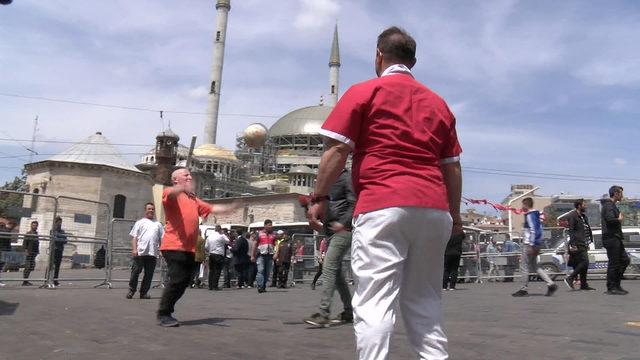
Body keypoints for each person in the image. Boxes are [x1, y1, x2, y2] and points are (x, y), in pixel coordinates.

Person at [307, 26, 463, 359]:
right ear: (414, 61)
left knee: (375, 301)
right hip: (434, 209)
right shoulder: (439, 104)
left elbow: (336, 150)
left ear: (378, 55)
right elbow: (452, 166)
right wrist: (456, 215)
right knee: (424, 301)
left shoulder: (365, 92)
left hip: (383, 204)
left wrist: (319, 197)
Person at [156, 168, 237, 327]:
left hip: (189, 248)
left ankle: (167, 311)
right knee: (177, 279)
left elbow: (212, 208)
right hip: (173, 245)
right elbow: (170, 194)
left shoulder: (193, 199)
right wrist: (179, 188)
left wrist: (231, 207)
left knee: (184, 281)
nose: (190, 177)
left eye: (190, 175)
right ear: (175, 180)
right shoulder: (170, 193)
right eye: (185, 175)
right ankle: (164, 313)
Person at [304, 169, 356, 326]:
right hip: (330, 230)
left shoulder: (346, 177)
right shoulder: (326, 179)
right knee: (337, 274)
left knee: (328, 267)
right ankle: (349, 312)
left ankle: (323, 313)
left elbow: (354, 202)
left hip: (343, 230)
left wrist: (344, 223)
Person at [512, 197, 558, 297]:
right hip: (536, 244)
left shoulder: (529, 215)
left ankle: (523, 289)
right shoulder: (536, 215)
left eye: (523, 205)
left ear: (526, 205)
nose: (522, 207)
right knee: (534, 266)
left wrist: (531, 245)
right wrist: (537, 244)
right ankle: (551, 284)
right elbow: (539, 230)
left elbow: (533, 230)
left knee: (524, 267)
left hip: (529, 244)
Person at [127, 203, 163, 299]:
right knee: (135, 272)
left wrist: (161, 250)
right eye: (149, 209)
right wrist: (134, 249)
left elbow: (161, 239)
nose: (151, 210)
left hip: (152, 253)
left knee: (149, 274)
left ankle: (143, 293)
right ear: (145, 210)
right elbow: (134, 238)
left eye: (152, 209)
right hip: (140, 252)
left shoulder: (158, 224)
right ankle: (131, 290)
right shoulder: (140, 222)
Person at [601, 185, 629, 295]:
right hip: (611, 238)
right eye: (621, 193)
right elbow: (610, 220)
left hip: (615, 237)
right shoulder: (608, 206)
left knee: (625, 260)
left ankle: (616, 284)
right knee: (614, 263)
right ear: (616, 194)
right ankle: (611, 287)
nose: (622, 195)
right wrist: (619, 219)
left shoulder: (612, 205)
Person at [564, 199, 596, 291]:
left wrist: (588, 242)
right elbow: (571, 230)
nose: (586, 206)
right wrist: (573, 244)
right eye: (584, 205)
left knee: (584, 265)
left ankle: (584, 285)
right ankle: (570, 278)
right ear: (579, 206)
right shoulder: (573, 216)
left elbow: (586, 229)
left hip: (584, 243)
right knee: (585, 262)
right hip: (577, 243)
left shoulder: (583, 216)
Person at [251, 219, 276, 293]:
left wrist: (276, 253)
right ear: (265, 225)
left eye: (271, 225)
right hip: (261, 255)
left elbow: (276, 245)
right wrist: (252, 255)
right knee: (261, 270)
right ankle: (260, 286)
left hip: (270, 256)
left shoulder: (273, 234)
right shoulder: (259, 234)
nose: (270, 226)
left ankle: (263, 285)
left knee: (267, 272)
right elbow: (255, 244)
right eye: (269, 225)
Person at [205, 225, 229, 291]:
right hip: (218, 254)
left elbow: (206, 246)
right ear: (220, 230)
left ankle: (210, 286)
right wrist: (223, 234)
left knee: (211, 270)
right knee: (217, 270)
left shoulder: (209, 236)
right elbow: (228, 241)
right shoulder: (221, 236)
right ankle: (215, 286)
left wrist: (210, 250)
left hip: (211, 254)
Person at [50, 216, 67, 287]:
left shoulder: (62, 231)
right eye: (58, 222)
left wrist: (59, 238)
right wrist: (60, 238)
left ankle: (55, 280)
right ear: (55, 223)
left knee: (57, 266)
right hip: (54, 250)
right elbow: (55, 239)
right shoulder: (52, 231)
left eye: (60, 222)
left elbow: (65, 240)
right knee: (51, 266)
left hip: (60, 250)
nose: (59, 224)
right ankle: (49, 279)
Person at [22, 220, 40, 286]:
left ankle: (26, 280)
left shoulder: (36, 234)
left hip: (34, 253)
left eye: (35, 225)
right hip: (29, 253)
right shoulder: (28, 233)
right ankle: (24, 281)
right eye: (33, 225)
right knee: (27, 266)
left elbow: (37, 243)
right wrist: (26, 251)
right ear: (31, 226)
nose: (34, 226)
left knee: (31, 267)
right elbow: (24, 244)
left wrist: (37, 252)